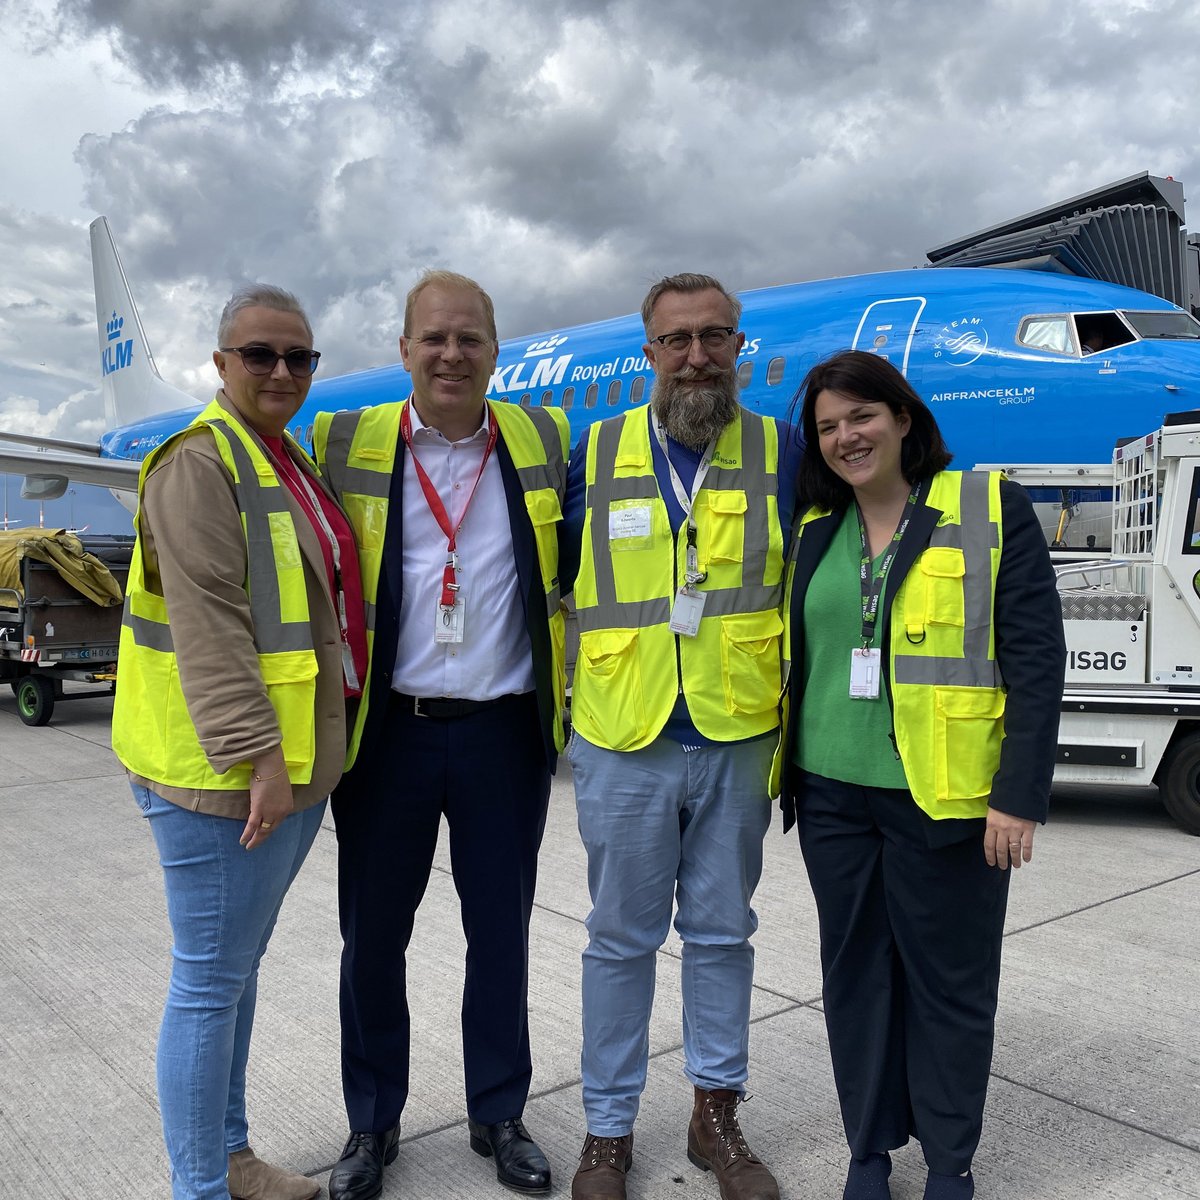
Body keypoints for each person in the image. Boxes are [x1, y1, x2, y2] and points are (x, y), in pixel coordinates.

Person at [779, 350, 1066, 1200]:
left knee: (950, 987)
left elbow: (1036, 660)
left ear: (903, 418)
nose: (845, 437)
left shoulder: (984, 506)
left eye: (860, 417)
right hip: (831, 794)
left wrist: (1018, 796)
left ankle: (950, 1163)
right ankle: (868, 1149)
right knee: (855, 979)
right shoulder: (814, 533)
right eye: (828, 427)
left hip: (946, 796)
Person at [313, 271, 569, 1200]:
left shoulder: (542, 437)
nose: (452, 355)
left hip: (504, 731)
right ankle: (372, 1123)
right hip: (391, 735)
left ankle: (498, 1110)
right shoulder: (344, 440)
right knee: (372, 939)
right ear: (405, 348)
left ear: (496, 352)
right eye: (434, 339)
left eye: (470, 339)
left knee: (499, 933)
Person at [113, 285, 368, 1200]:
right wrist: (258, 758)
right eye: (260, 355)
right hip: (221, 775)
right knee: (208, 986)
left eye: (300, 357)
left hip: (286, 767)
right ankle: (201, 1187)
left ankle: (230, 1156)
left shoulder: (281, 457)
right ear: (220, 364)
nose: (282, 372)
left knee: (234, 974)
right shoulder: (198, 462)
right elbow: (209, 624)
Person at [561, 273, 799, 1200]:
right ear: (649, 352)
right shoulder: (597, 451)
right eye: (677, 340)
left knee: (721, 936)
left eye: (714, 337)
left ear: (738, 346)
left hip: (736, 730)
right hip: (624, 732)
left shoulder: (782, 451)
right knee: (618, 940)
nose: (696, 356)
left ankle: (716, 1116)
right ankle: (608, 1130)